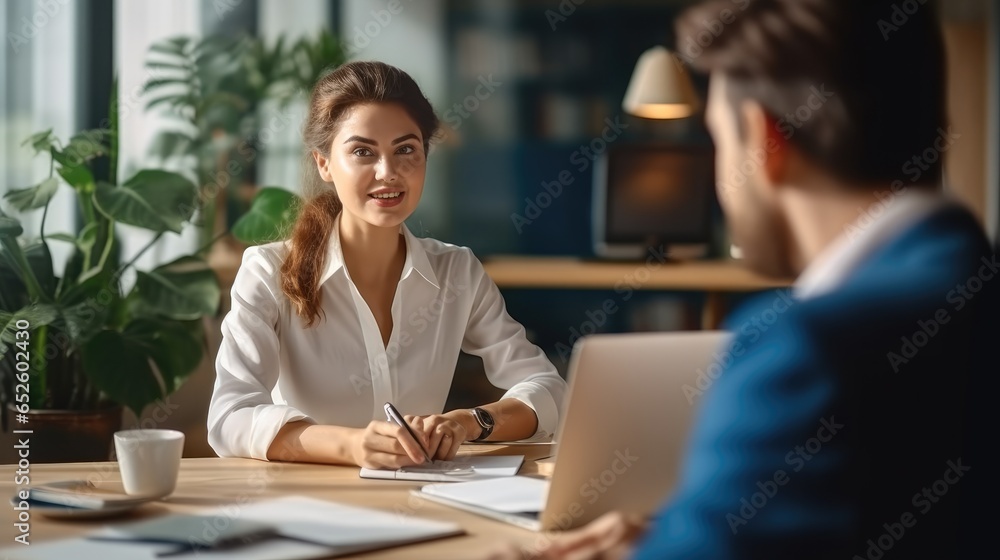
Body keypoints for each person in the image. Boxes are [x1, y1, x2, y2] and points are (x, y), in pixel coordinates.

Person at [492, 0, 997, 558]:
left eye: (718, 141)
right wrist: (693, 533)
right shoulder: (965, 280)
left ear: (763, 139)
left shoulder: (807, 350)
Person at [207, 61, 566, 469]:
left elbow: (549, 390)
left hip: (426, 498)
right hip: (307, 503)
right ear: (323, 163)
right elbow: (229, 417)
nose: (388, 172)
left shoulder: (457, 272)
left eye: (406, 150)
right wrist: (353, 446)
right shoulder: (268, 271)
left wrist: (468, 423)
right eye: (363, 151)